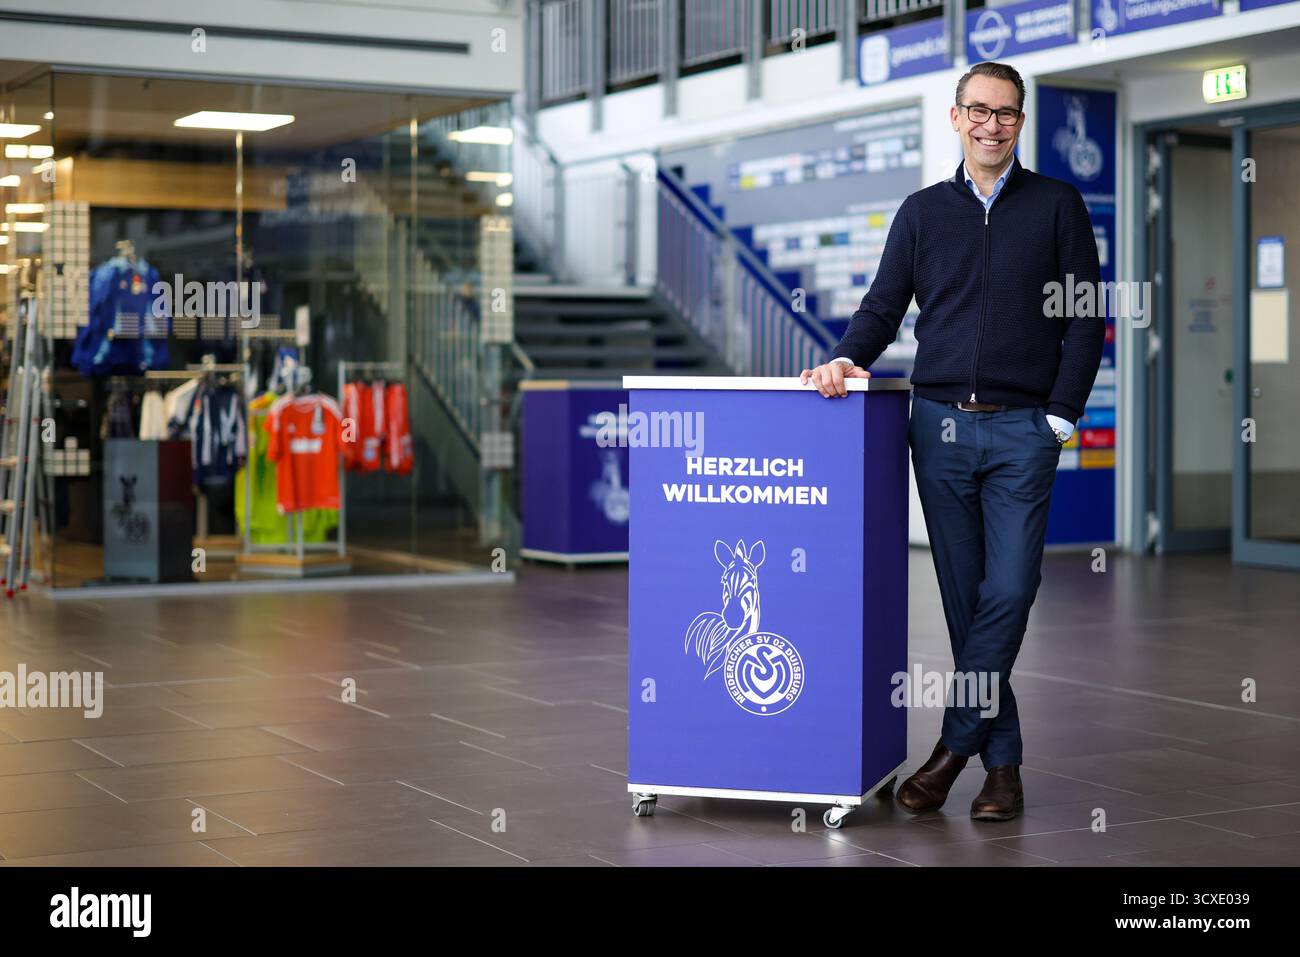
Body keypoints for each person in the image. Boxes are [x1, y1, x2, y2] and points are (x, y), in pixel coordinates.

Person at [801, 61, 1104, 821]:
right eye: (979, 110)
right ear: (955, 117)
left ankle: (952, 748)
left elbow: (1084, 319)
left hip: (1024, 430)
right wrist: (847, 356)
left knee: (1009, 588)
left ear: (1020, 122)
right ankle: (1003, 768)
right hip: (936, 428)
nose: (991, 124)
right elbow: (882, 308)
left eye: (1006, 113)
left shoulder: (1058, 205)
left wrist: (1061, 414)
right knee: (967, 603)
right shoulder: (921, 212)